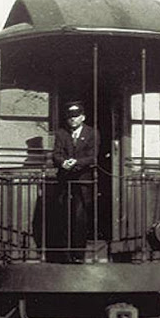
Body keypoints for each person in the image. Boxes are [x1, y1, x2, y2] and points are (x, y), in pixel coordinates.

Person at [51, 101, 100, 262]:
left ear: (83, 117)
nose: (72, 119)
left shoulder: (92, 133)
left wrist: (76, 163)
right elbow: (56, 154)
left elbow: (93, 157)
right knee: (64, 217)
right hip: (65, 183)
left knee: (80, 219)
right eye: (70, 116)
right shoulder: (61, 134)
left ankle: (79, 255)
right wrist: (62, 162)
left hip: (83, 183)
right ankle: (66, 255)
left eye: (76, 116)